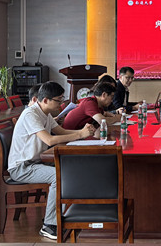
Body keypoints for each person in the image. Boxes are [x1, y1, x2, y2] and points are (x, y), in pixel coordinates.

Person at [8, 81, 96, 240]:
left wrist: (83, 132)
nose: (61, 104)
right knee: (59, 176)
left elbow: (60, 131)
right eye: (58, 100)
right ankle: (49, 225)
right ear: (45, 100)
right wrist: (79, 135)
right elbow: (49, 139)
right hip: (22, 167)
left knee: (72, 168)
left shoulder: (46, 113)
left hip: (37, 162)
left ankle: (65, 215)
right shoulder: (30, 114)